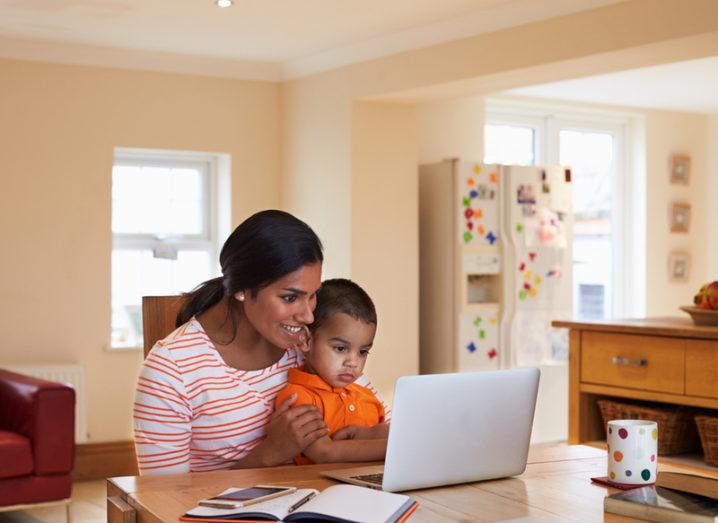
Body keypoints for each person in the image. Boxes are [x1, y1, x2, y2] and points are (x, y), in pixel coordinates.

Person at [133, 210, 385, 474]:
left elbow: (383, 422)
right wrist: (269, 453)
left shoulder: (310, 342)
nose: (308, 315)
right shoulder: (171, 370)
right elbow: (162, 500)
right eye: (290, 298)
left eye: (312, 296)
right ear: (241, 289)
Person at [274, 278, 390, 464]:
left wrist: (384, 433)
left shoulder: (367, 397)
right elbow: (324, 453)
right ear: (305, 341)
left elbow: (383, 433)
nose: (353, 362)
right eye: (340, 348)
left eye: (362, 352)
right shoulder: (298, 397)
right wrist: (393, 448)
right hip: (319, 491)